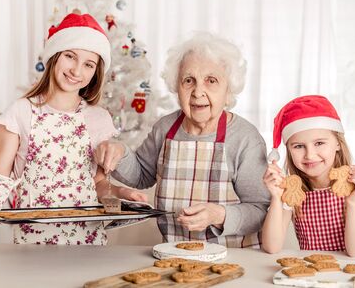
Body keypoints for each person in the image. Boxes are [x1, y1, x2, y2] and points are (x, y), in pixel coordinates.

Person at [0, 13, 146, 245]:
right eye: (70, 56)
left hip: (88, 238)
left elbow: (97, 185)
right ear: (55, 56)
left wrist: (121, 194)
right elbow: (0, 177)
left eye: (88, 64)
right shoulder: (20, 112)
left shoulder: (98, 118)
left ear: (95, 72)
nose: (77, 70)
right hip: (33, 238)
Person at [95, 32, 271, 248]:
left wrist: (220, 215)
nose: (198, 92)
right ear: (176, 87)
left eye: (211, 81)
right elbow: (141, 175)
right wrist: (120, 152)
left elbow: (261, 210)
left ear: (228, 90)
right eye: (189, 80)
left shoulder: (245, 138)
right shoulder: (165, 128)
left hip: (234, 258)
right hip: (175, 254)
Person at [261, 95, 355, 256]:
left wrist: (352, 202)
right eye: (298, 146)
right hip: (310, 270)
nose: (310, 155)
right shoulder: (291, 190)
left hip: (346, 271)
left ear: (338, 143)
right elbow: (271, 247)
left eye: (319, 143)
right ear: (288, 150)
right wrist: (276, 198)